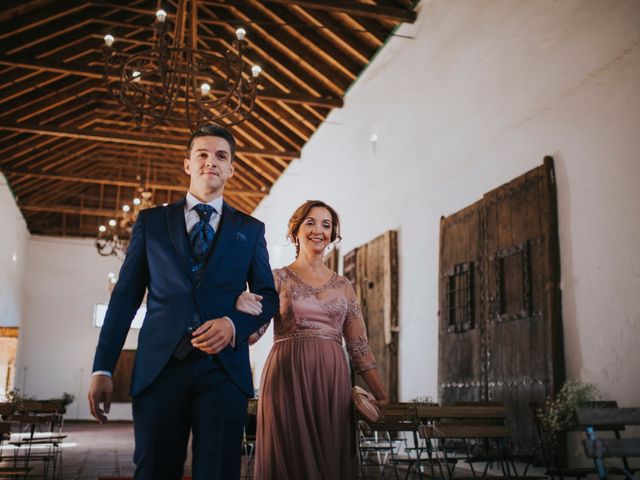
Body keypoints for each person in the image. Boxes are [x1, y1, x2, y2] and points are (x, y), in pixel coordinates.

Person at [87, 124, 278, 480]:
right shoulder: (151, 222)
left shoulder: (251, 229)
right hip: (160, 368)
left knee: (218, 472)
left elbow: (268, 297)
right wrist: (103, 367)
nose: (211, 161)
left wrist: (234, 325)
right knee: (155, 470)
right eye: (202, 154)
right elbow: (125, 298)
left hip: (223, 371)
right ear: (188, 164)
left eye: (221, 156)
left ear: (232, 168)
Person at [236, 200, 389, 479]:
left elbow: (358, 346)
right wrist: (240, 308)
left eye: (326, 224)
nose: (318, 230)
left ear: (332, 235)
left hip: (333, 381)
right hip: (286, 377)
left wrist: (381, 393)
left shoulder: (343, 286)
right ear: (295, 231)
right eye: (310, 222)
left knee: (330, 457)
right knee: (289, 455)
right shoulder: (277, 278)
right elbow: (253, 334)